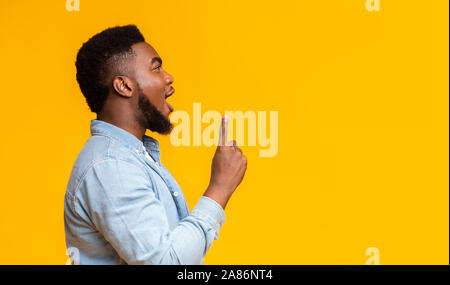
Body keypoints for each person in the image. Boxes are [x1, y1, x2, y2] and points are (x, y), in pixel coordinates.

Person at [64, 25, 247, 265]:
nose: (169, 78)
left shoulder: (131, 158)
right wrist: (219, 189)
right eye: (157, 68)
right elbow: (164, 261)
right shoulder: (111, 166)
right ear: (124, 86)